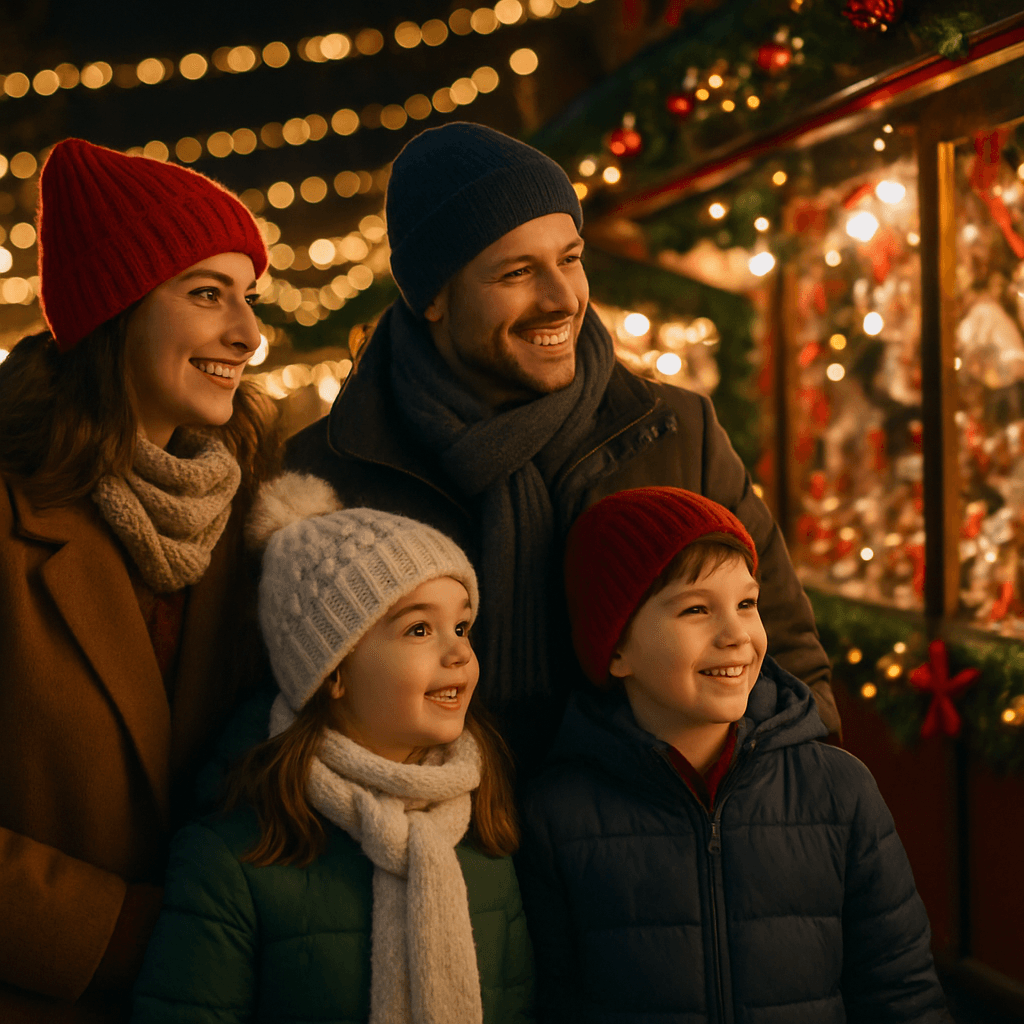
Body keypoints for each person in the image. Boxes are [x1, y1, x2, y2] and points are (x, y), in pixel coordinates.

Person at [285, 121, 838, 772]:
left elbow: (793, 669)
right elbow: (284, 714)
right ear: (434, 296)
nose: (560, 299)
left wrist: (708, 820)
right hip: (437, 857)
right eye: (517, 272)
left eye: (570, 259)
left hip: (645, 852)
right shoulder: (330, 474)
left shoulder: (675, 432)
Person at [0, 138, 274, 1022]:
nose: (248, 333)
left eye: (249, 298)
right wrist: (113, 931)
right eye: (207, 294)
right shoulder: (11, 518)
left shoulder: (257, 518)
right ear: (114, 311)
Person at [516, 486, 950, 1023]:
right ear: (617, 648)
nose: (736, 635)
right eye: (696, 609)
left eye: (746, 604)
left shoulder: (839, 790)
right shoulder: (555, 815)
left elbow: (901, 992)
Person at [132, 473, 535, 1024]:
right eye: (419, 630)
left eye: (462, 626)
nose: (459, 653)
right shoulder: (230, 860)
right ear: (333, 671)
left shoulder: (484, 840)